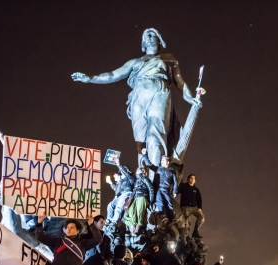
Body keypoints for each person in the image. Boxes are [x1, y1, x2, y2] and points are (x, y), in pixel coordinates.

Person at [71, 28, 202, 170]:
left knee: (155, 135)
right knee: (141, 141)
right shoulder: (134, 62)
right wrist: (90, 78)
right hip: (138, 97)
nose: (149, 37)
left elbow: (179, 82)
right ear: (143, 44)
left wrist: (190, 98)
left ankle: (157, 175)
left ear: (159, 41)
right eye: (146, 36)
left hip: (159, 92)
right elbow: (113, 75)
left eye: (152, 35)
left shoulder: (168, 59)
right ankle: (143, 177)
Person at [34, 212, 102, 265]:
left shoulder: (83, 244)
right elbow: (40, 237)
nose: (69, 229)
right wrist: (39, 222)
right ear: (64, 230)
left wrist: (91, 224)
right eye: (67, 227)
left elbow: (98, 239)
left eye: (72, 227)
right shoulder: (57, 241)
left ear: (77, 231)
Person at [140, 149, 177, 221]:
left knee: (169, 202)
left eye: (163, 160)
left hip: (166, 190)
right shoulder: (158, 169)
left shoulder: (171, 172)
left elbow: (175, 182)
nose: (162, 161)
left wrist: (174, 191)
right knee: (159, 202)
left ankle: (172, 218)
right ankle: (162, 215)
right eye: (161, 160)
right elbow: (149, 165)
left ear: (168, 162)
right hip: (158, 189)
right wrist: (144, 155)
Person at [124, 167, 154, 234]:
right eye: (139, 169)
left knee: (140, 211)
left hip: (142, 196)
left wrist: (150, 200)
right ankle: (132, 226)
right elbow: (127, 174)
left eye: (142, 170)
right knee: (130, 210)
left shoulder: (145, 179)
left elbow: (151, 188)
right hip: (134, 197)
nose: (140, 170)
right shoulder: (135, 179)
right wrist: (118, 164)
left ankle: (138, 227)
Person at [178, 174, 204, 239]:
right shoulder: (184, 186)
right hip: (185, 207)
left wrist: (200, 207)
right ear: (188, 179)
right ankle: (185, 237)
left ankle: (195, 231)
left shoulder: (196, 190)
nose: (192, 179)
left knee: (201, 217)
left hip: (194, 208)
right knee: (186, 223)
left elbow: (199, 199)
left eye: (194, 178)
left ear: (195, 181)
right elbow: (177, 191)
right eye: (191, 178)